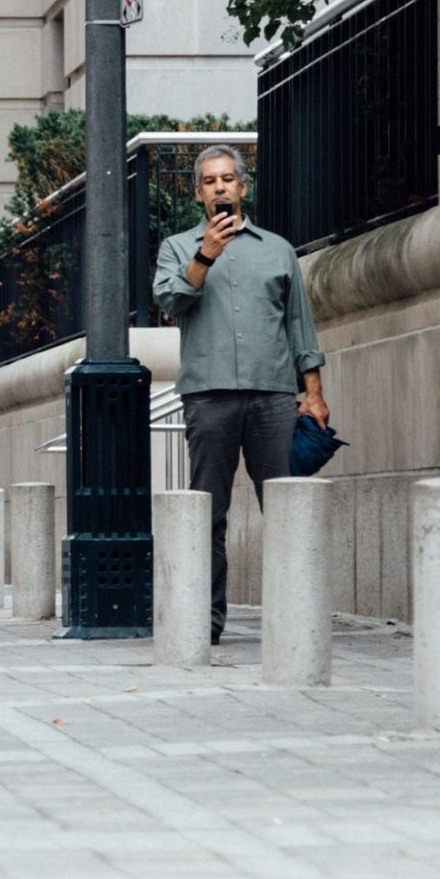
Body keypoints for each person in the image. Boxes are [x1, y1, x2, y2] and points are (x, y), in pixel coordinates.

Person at [153, 144, 327, 646]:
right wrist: (205, 254)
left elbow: (300, 325)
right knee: (209, 510)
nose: (220, 187)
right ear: (197, 192)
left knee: (286, 506)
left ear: (243, 187)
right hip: (208, 397)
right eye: (209, 181)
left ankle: (297, 614)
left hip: (273, 395)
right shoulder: (177, 247)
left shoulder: (277, 249)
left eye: (228, 179)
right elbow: (170, 300)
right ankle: (205, 620)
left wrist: (312, 392)